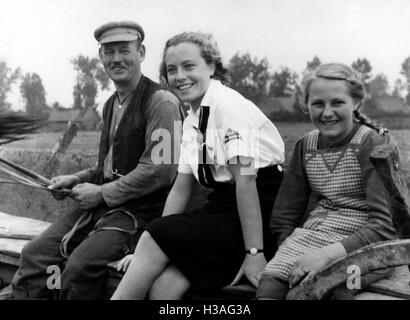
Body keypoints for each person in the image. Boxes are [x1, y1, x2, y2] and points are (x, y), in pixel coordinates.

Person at [12, 21, 184, 300]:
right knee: (36, 255)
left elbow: (160, 172)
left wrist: (101, 193)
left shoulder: (161, 102)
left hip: (142, 216)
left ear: (140, 53)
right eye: (109, 52)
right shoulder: (110, 104)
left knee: (79, 268)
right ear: (100, 57)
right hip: (104, 209)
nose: (116, 59)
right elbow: (109, 168)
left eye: (124, 50)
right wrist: (77, 179)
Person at [110, 31, 285, 300]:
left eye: (189, 66)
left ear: (212, 67)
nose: (180, 76)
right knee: (163, 289)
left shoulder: (228, 106)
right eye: (172, 70)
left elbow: (246, 183)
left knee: (153, 238)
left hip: (259, 213)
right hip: (224, 210)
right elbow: (181, 188)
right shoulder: (193, 117)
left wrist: (255, 254)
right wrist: (153, 248)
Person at [256, 63, 398, 300]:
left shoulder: (371, 143)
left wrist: (326, 256)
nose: (327, 112)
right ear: (306, 106)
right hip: (314, 236)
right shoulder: (306, 145)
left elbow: (384, 225)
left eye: (337, 103)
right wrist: (287, 249)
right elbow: (286, 211)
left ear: (356, 103)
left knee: (320, 291)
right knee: (270, 284)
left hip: (366, 245)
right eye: (318, 104)